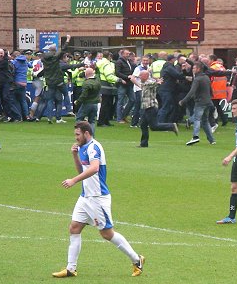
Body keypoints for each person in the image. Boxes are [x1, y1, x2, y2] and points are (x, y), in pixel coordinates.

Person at [52, 121, 144, 278]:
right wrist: (75, 155)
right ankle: (70, 268)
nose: (76, 138)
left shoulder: (94, 147)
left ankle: (137, 260)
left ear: (86, 133)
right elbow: (82, 169)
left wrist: (74, 180)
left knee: (107, 234)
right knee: (74, 228)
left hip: (97, 198)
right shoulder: (81, 148)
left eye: (78, 134)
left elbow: (94, 168)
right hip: (85, 197)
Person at [131, 70, 179, 147]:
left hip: (151, 107)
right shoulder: (146, 82)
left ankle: (171, 126)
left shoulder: (148, 83)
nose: (139, 77)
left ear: (145, 76)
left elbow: (152, 83)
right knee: (143, 125)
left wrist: (157, 82)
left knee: (154, 126)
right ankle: (144, 144)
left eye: (141, 75)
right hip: (146, 107)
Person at [179, 62, 216, 145]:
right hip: (208, 101)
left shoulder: (197, 79)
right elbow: (210, 90)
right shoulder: (206, 77)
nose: (193, 69)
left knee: (197, 119)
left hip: (200, 102)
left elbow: (192, 91)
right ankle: (212, 140)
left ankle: (195, 136)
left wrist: (183, 101)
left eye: (194, 68)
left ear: (198, 69)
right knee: (205, 121)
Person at [74, 68, 101, 136]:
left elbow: (84, 95)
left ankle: (80, 134)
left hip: (87, 103)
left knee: (79, 118)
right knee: (92, 121)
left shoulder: (86, 83)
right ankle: (91, 136)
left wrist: (78, 101)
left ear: (86, 74)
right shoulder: (97, 81)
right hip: (95, 103)